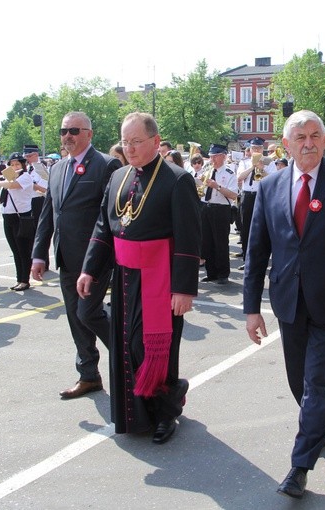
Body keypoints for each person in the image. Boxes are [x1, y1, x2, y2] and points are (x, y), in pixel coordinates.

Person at [243, 110, 325, 498]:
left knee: (316, 381)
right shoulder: (269, 187)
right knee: (300, 382)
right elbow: (256, 253)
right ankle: (319, 427)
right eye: (299, 136)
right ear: (286, 145)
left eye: (315, 135)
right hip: (288, 302)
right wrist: (252, 308)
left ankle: (299, 466)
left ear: (324, 137)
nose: (308, 143)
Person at [77, 112, 201, 444]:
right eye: (125, 142)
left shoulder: (177, 179)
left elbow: (189, 238)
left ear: (156, 142)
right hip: (125, 278)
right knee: (127, 346)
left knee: (154, 347)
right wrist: (90, 268)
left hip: (160, 277)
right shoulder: (118, 178)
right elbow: (104, 228)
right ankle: (140, 411)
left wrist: (184, 288)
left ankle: (166, 412)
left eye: (137, 142)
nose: (129, 149)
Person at [31, 111, 122, 399]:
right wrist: (38, 255)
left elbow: (110, 218)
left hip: (95, 259)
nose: (67, 135)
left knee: (88, 312)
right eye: (63, 131)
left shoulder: (107, 166)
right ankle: (88, 375)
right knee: (74, 316)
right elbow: (48, 214)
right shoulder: (57, 169)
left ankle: (129, 356)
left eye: (74, 130)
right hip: (66, 257)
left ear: (89, 134)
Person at [0, 152, 35, 291]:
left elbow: (13, 186)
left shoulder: (25, 177)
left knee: (23, 250)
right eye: (12, 165)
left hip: (21, 217)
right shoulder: (8, 182)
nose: (14, 167)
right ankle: (19, 279)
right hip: (8, 217)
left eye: (17, 164)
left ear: (23, 165)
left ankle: (25, 280)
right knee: (15, 250)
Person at [199, 143, 238, 284]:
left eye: (215, 156)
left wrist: (217, 186)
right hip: (206, 207)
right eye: (210, 156)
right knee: (206, 242)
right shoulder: (207, 170)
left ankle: (223, 273)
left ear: (223, 156)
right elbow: (201, 189)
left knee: (220, 242)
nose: (212, 159)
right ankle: (211, 273)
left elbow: (234, 195)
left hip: (221, 209)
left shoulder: (229, 173)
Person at [236, 137, 267, 268]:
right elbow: (239, 177)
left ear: (262, 149)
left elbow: (273, 179)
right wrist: (252, 167)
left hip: (262, 195)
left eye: (258, 148)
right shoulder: (244, 162)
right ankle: (247, 260)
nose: (256, 150)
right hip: (247, 196)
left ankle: (260, 260)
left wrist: (262, 169)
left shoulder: (269, 162)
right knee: (246, 228)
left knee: (262, 228)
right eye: (253, 148)